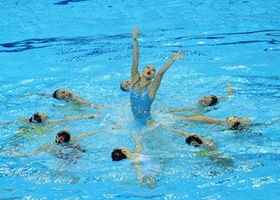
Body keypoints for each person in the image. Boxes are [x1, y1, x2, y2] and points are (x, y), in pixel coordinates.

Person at [130, 27, 184, 126]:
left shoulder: (151, 88)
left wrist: (172, 60)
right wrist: (135, 39)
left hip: (147, 122)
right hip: (134, 121)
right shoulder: (134, 81)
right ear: (142, 71)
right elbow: (136, 59)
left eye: (153, 70)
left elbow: (160, 73)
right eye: (148, 68)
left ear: (153, 76)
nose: (150, 70)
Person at [10, 129, 108, 162]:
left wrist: (15, 154)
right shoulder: (74, 141)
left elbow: (31, 155)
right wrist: (105, 129)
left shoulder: (47, 146)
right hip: (74, 153)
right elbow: (88, 134)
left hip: (61, 156)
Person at [167, 127, 233, 168]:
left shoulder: (207, 143)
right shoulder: (201, 142)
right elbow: (183, 133)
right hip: (204, 155)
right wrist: (169, 129)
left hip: (210, 154)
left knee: (220, 159)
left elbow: (213, 149)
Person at [168, 83, 233, 113]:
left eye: (204, 102)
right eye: (204, 97)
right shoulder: (218, 99)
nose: (201, 100)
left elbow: (184, 109)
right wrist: (229, 87)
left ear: (208, 106)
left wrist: (171, 111)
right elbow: (229, 95)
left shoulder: (200, 108)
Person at [179, 115, 280, 131]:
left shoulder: (222, 125)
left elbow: (204, 119)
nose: (230, 118)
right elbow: (267, 124)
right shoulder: (224, 123)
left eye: (230, 119)